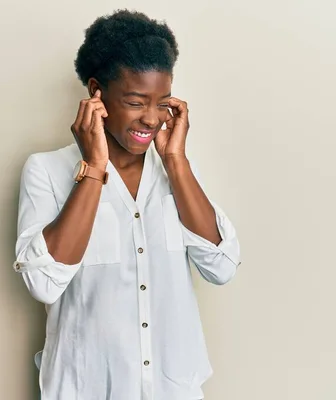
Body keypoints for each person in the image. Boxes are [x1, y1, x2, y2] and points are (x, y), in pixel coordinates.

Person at [14, 9, 241, 400]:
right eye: (136, 102)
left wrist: (176, 162)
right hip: (86, 390)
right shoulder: (47, 172)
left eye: (162, 102)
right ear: (96, 92)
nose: (151, 119)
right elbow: (43, 283)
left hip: (175, 391)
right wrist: (94, 169)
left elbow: (221, 267)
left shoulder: (180, 174)